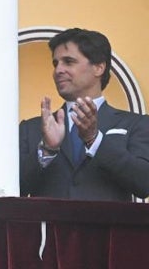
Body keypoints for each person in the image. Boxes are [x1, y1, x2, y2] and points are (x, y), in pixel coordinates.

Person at [18, 27, 149, 201]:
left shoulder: (135, 124)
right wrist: (47, 149)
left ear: (99, 67)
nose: (58, 70)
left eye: (69, 62)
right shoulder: (32, 128)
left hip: (107, 228)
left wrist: (95, 140)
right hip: (48, 228)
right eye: (55, 63)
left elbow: (144, 183)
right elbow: (13, 188)